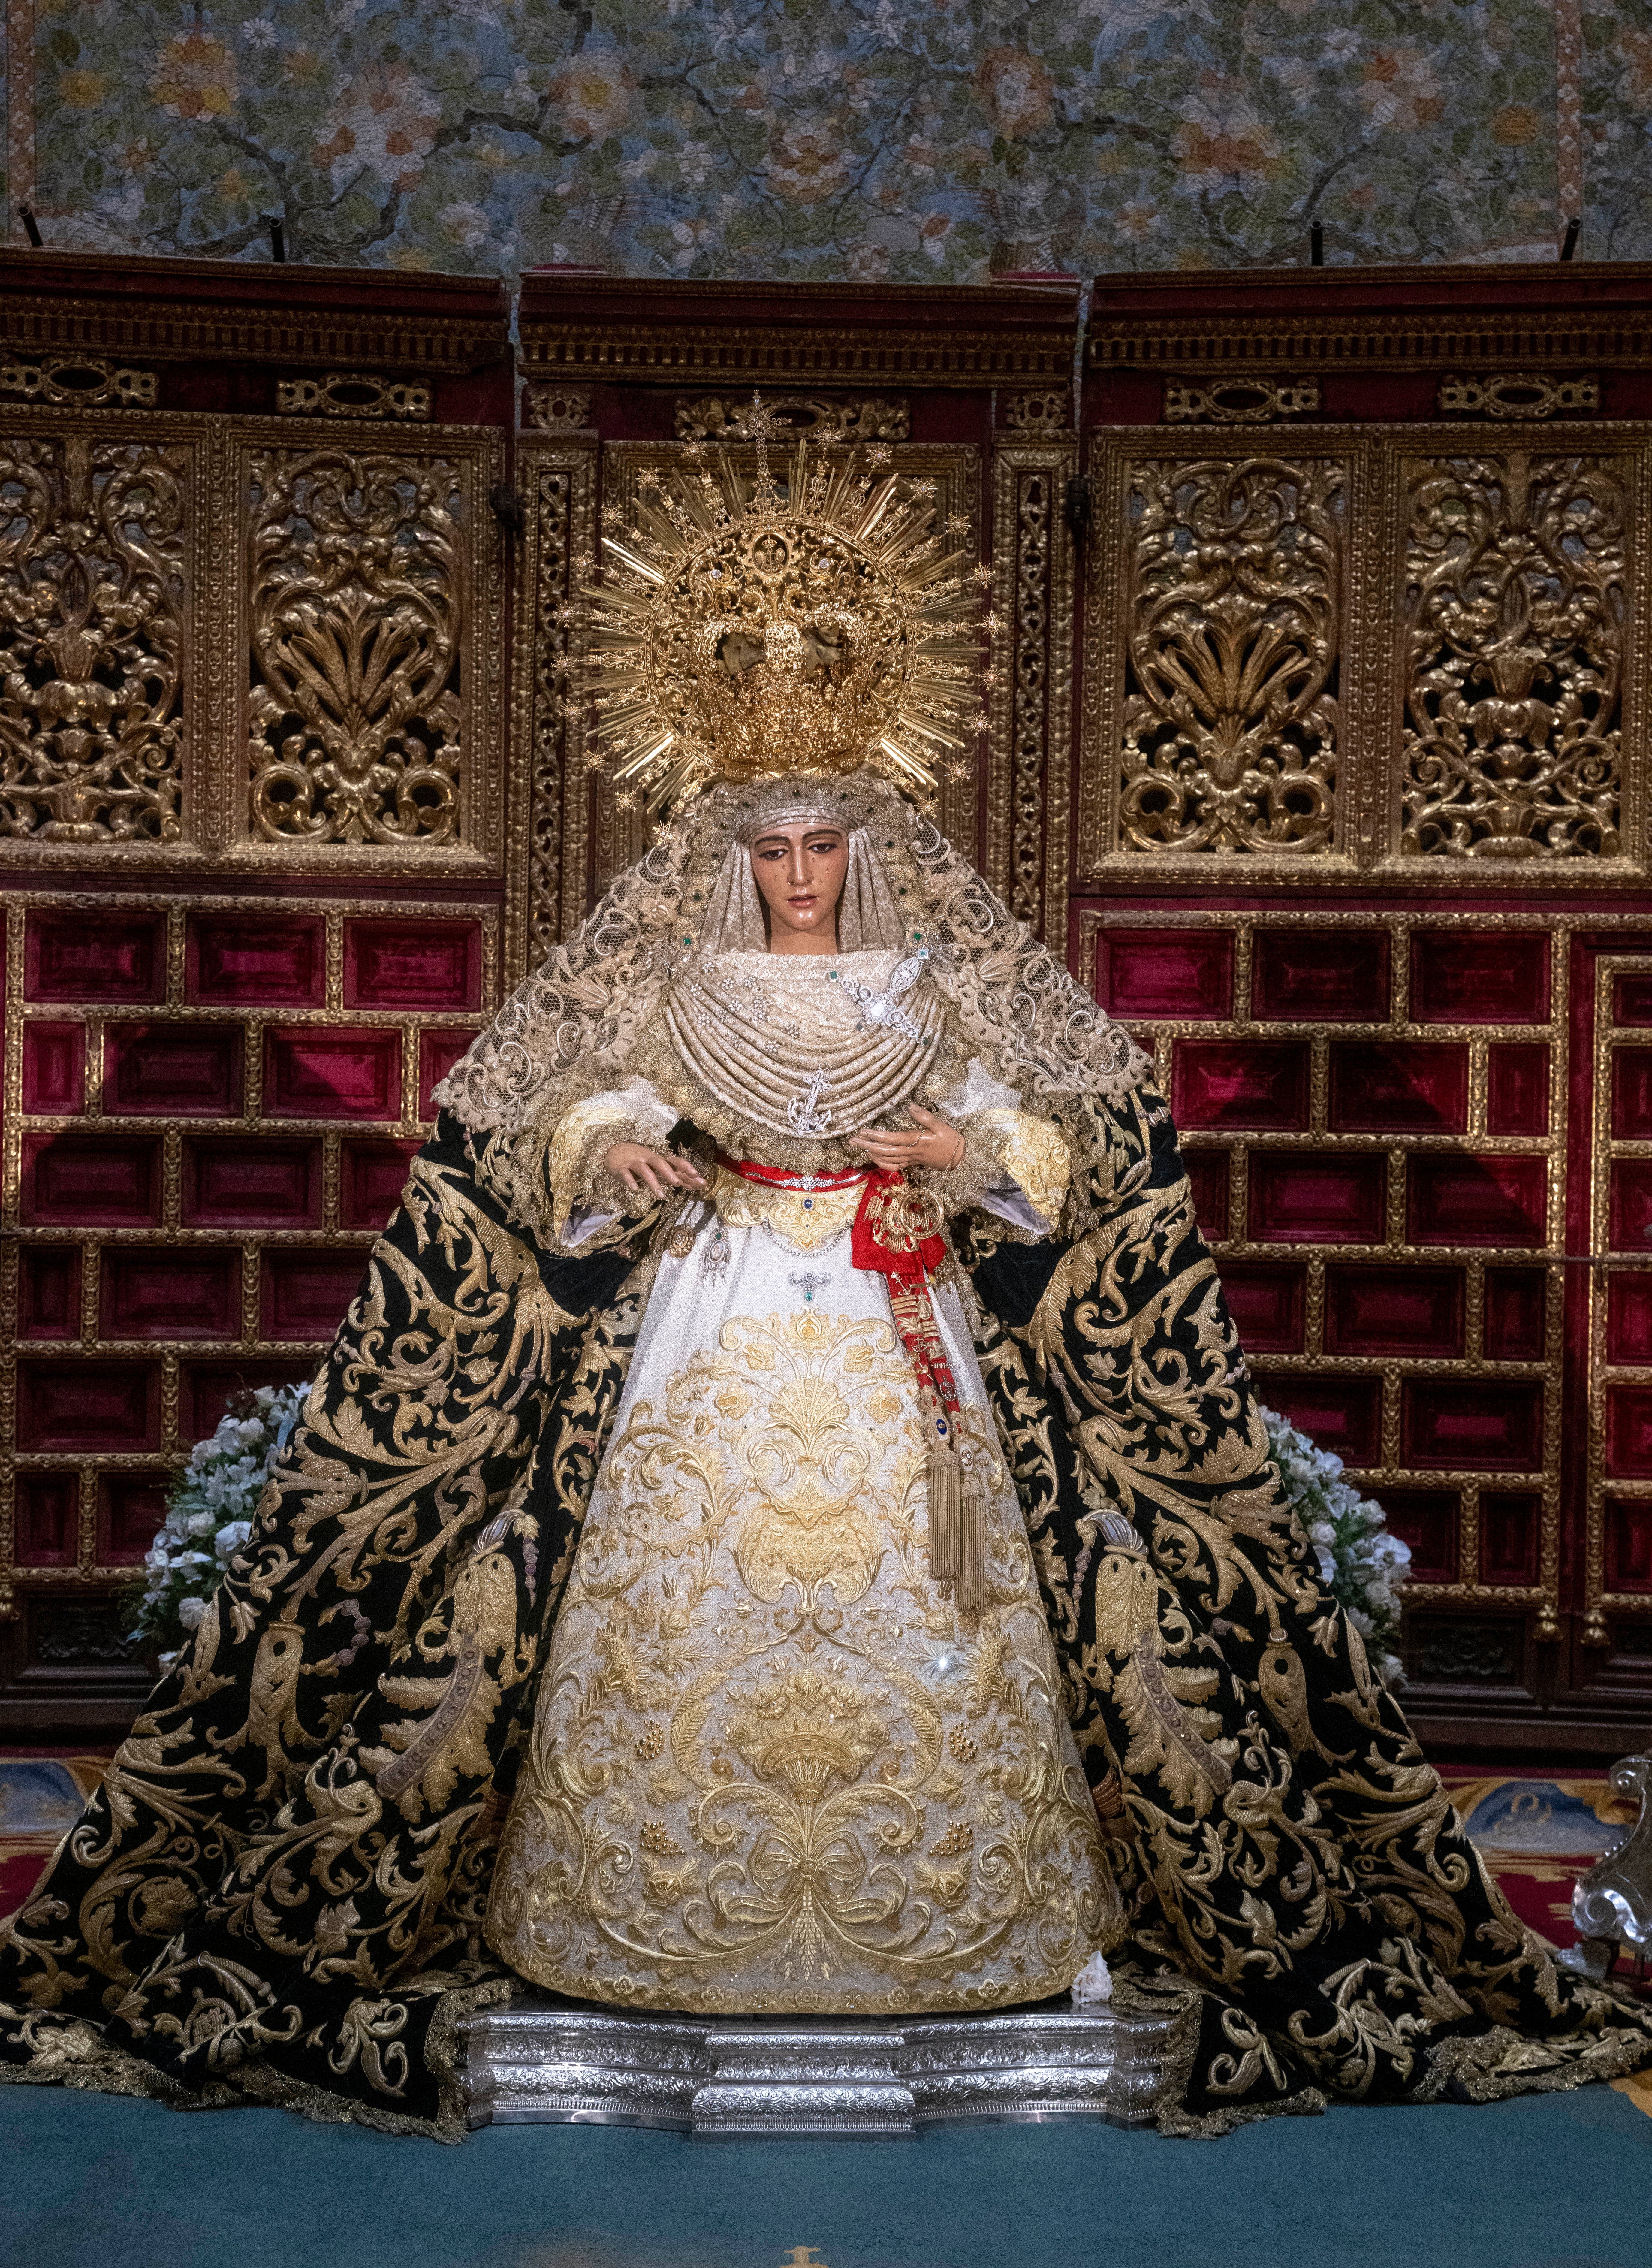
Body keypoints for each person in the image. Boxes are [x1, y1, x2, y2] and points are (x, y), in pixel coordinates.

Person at [2, 410, 1646, 2140]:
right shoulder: (676, 971)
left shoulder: (933, 983)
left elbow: (1065, 1130)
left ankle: (946, 1918)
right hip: (709, 1312)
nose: (795, 876)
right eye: (768, 848)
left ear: (863, 845)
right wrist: (611, 1151)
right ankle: (646, 1914)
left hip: (897, 1312)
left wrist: (972, 1160)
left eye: (820, 847)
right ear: (729, 851)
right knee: (675, 1596)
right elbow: (566, 1105)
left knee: (931, 1597)